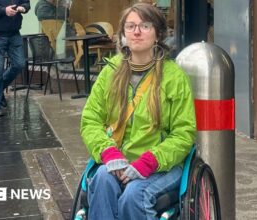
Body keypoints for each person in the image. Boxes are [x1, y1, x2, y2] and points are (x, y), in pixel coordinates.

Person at [80, 3, 196, 219]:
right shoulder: (111, 72)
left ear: (158, 34)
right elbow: (90, 120)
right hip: (118, 160)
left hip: (162, 164)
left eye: (144, 26)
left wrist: (149, 161)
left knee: (134, 194)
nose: (136, 31)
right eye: (130, 26)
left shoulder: (174, 77)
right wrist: (108, 152)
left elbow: (183, 133)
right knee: (102, 180)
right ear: (123, 34)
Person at [0, 0, 30, 116]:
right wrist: (3, 10)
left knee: (19, 64)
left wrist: (23, 8)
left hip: (14, 33)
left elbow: (27, 4)